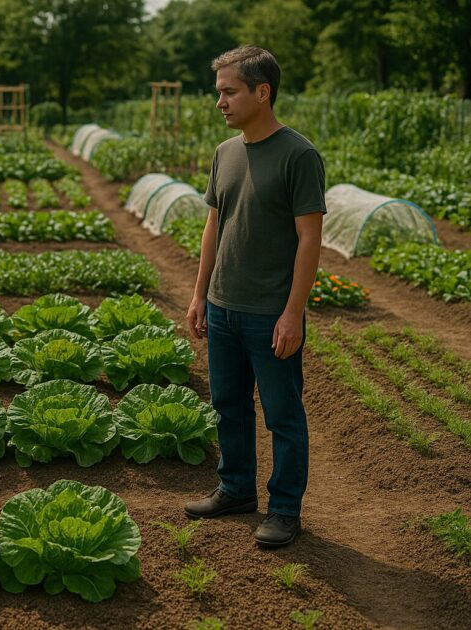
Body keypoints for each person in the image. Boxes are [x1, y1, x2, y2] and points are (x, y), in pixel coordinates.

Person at [183, 46, 326, 548]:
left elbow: (310, 238)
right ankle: (236, 489)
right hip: (223, 307)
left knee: (283, 415)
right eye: (218, 91)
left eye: (229, 91)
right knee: (228, 405)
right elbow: (214, 224)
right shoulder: (225, 154)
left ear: (261, 92)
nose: (219, 101)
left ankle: (285, 509)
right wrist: (201, 295)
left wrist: (293, 313)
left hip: (271, 313)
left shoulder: (299, 155)